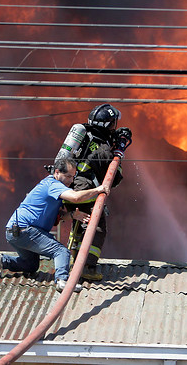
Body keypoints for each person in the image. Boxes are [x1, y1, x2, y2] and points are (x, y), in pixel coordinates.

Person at [0, 158, 109, 293]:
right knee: (61, 251)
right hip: (25, 229)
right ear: (57, 172)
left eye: (73, 176)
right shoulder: (53, 184)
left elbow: (55, 217)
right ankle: (62, 281)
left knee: (31, 265)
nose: (71, 180)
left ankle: (1, 260)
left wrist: (72, 216)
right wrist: (98, 189)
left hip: (14, 231)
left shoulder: (52, 187)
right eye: (68, 176)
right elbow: (76, 197)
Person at [54, 103, 132, 281]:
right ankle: (87, 267)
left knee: (80, 223)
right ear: (107, 125)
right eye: (113, 124)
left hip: (68, 189)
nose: (115, 126)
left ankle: (74, 260)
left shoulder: (86, 137)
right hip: (83, 190)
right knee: (96, 227)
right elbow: (115, 177)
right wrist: (118, 152)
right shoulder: (102, 147)